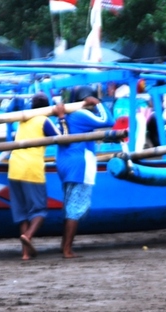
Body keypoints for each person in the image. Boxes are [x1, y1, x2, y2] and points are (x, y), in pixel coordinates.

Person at [8, 93, 67, 260]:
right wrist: (61, 117)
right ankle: (28, 236)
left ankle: (25, 253)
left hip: (14, 167)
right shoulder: (43, 120)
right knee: (39, 210)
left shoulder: (23, 119)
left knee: (23, 212)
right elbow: (63, 139)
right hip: (31, 168)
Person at [57, 86, 114, 258]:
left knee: (69, 207)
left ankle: (64, 246)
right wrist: (98, 103)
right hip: (79, 164)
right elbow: (108, 120)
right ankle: (67, 249)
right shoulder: (81, 114)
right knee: (75, 208)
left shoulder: (65, 116)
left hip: (65, 163)